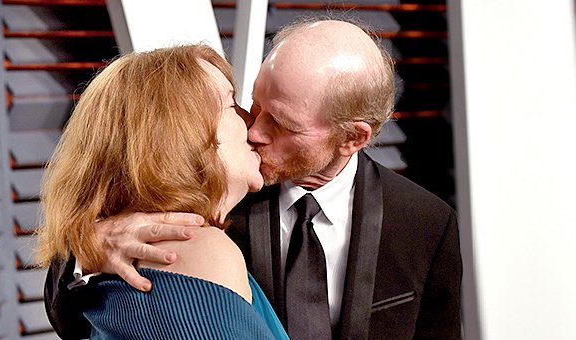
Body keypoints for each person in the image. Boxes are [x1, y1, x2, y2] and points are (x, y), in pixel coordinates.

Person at [45, 18, 462, 340]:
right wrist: (88, 252)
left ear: (352, 137)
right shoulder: (214, 191)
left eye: (280, 122)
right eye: (252, 103)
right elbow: (80, 305)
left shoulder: (425, 222)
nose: (254, 128)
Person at [36, 44, 288, 339]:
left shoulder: (132, 255)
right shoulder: (196, 249)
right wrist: (86, 249)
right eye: (232, 105)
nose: (251, 122)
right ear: (184, 135)